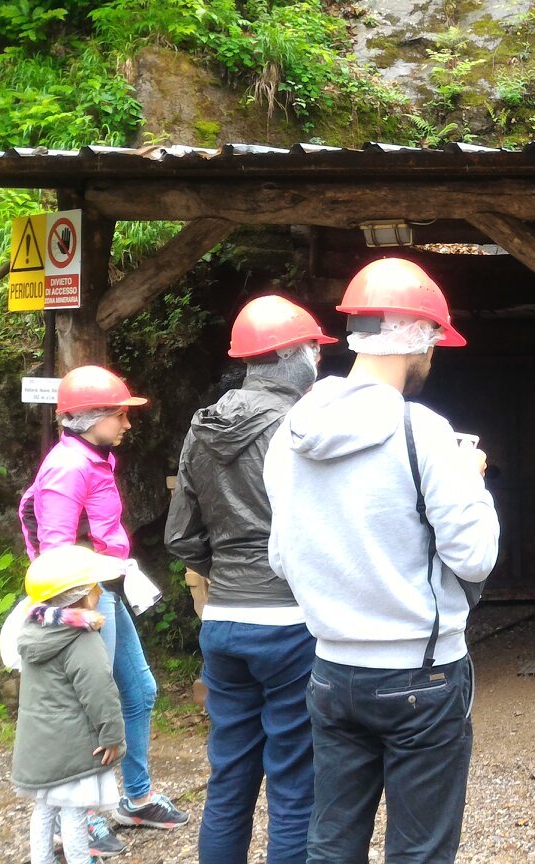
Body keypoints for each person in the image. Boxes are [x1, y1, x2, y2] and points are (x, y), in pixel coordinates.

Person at [264, 257, 500, 864]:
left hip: (329, 672)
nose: (433, 358)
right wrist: (472, 481)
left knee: (332, 841)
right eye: (434, 345)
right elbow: (474, 558)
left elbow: (283, 559)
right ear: (418, 337)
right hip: (423, 674)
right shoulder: (425, 432)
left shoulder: (291, 431)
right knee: (418, 852)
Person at [165, 295, 336, 864]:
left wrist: (233, 574)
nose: (318, 359)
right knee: (293, 781)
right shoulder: (303, 424)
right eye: (313, 349)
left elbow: (181, 538)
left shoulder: (201, 428)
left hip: (222, 624)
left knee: (229, 777)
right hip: (290, 625)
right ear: (286, 356)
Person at [19, 365, 188, 859]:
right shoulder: (69, 467)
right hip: (86, 597)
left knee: (139, 691)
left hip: (105, 588)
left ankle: (133, 796)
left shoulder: (94, 457)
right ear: (91, 418)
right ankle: (84, 812)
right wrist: (78, 615)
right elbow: (55, 551)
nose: (127, 424)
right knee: (90, 704)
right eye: (120, 414)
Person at [13, 545, 126, 864]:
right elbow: (100, 690)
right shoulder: (81, 639)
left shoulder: (34, 630)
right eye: (95, 587)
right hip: (74, 747)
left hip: (40, 747)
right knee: (76, 814)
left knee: (45, 809)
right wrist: (113, 737)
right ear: (82, 595)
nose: (98, 591)